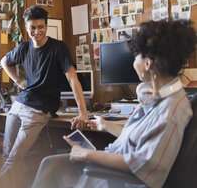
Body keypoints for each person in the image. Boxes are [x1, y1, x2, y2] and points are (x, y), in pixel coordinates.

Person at [32, 19, 196, 188]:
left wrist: (87, 154)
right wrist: (106, 125)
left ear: (148, 63)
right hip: (113, 163)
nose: (133, 63)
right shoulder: (160, 98)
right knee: (50, 163)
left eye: (136, 56)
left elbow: (141, 163)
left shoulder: (170, 111)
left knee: (52, 168)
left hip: (120, 178)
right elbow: (137, 139)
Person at [0, 5, 88, 188]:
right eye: (32, 27)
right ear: (26, 27)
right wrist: (18, 81)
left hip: (38, 111)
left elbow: (73, 80)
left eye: (40, 27)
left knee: (14, 158)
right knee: (7, 155)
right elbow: (4, 62)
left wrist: (83, 113)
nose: (36, 32)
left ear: (46, 26)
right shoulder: (23, 47)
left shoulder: (58, 48)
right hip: (18, 106)